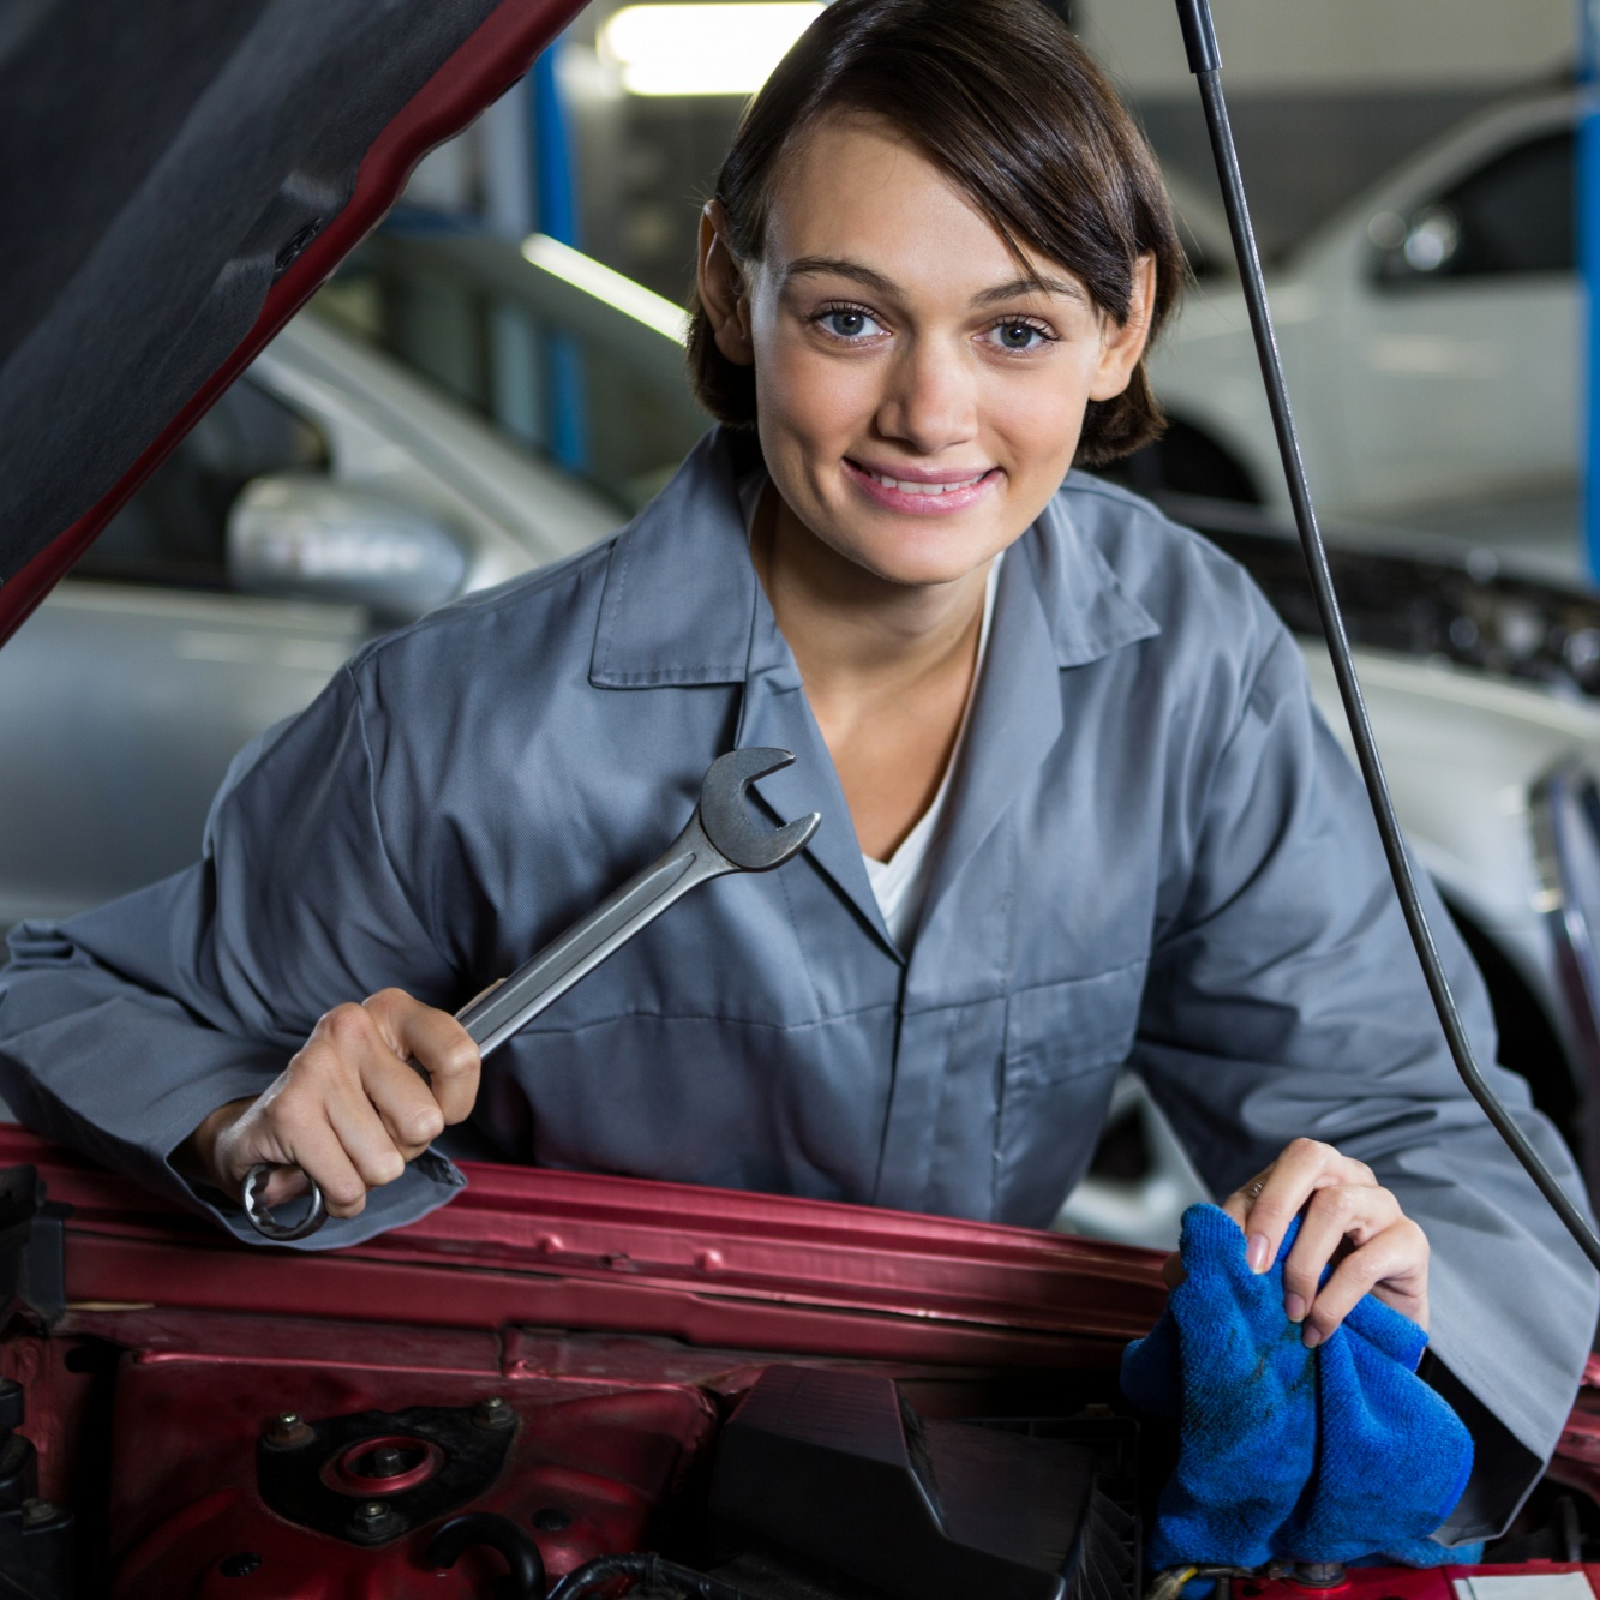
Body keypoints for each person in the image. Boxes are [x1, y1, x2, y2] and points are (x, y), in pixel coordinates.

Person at [0, 0, 1592, 1545]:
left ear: (1120, 332)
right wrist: (245, 1122)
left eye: (1017, 329)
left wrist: (1388, 1269)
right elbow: (69, 996)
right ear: (725, 283)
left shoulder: (1189, 664)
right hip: (577, 1486)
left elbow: (1416, 1109)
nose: (931, 413)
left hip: (1003, 1497)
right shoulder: (456, 722)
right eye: (849, 318)